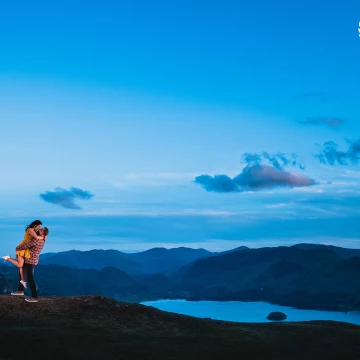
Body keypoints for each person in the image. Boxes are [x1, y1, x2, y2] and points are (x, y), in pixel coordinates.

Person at [4, 226, 49, 303]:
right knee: (21, 274)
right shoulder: (41, 239)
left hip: (30, 261)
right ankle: (20, 291)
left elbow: (21, 247)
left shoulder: (36, 240)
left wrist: (18, 247)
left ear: (42, 233)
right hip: (30, 260)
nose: (39, 230)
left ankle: (35, 297)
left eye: (41, 230)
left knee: (30, 278)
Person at [2, 220, 46, 288]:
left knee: (22, 266)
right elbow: (37, 237)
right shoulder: (30, 230)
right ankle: (8, 258)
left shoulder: (33, 230)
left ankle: (23, 280)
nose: (39, 228)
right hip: (23, 246)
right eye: (39, 226)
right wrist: (43, 237)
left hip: (26, 247)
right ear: (35, 225)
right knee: (20, 265)